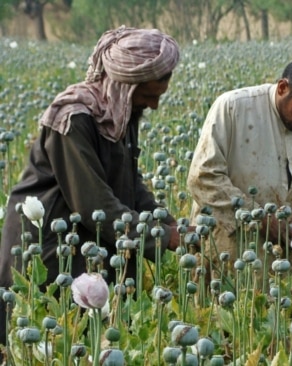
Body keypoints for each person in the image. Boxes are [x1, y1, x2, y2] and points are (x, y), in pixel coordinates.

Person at [0, 26, 184, 352]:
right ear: (124, 87)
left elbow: (129, 184)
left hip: (94, 245)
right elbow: (93, 203)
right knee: (54, 345)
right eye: (148, 96)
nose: (153, 105)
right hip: (51, 249)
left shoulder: (119, 112)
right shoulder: (72, 118)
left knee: (97, 342)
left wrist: (170, 223)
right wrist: (160, 237)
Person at [187, 47, 292, 263]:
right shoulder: (233, 108)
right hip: (230, 253)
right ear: (282, 88)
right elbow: (203, 177)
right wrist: (260, 219)